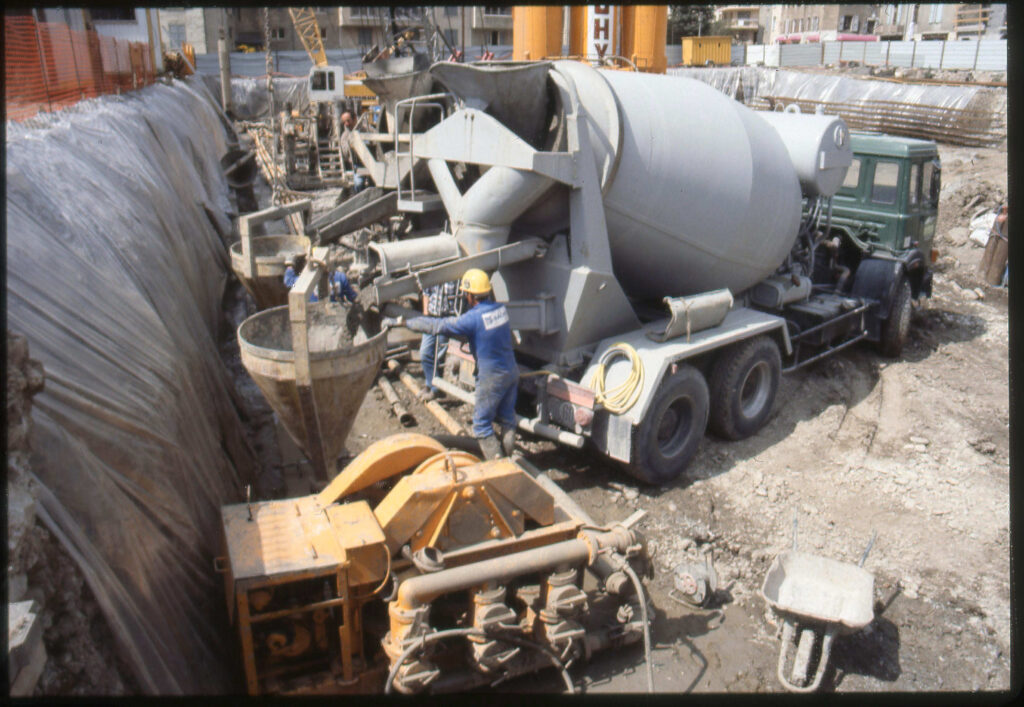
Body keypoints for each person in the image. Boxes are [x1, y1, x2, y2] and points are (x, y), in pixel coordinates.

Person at [384, 269, 517, 460]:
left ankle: (497, 466)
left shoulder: (473, 318)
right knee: (507, 420)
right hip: (511, 371)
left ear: (470, 296)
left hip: (491, 376)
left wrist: (403, 321)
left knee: (481, 425)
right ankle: (509, 460)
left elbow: (437, 326)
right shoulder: (500, 310)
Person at [417, 279, 460, 401]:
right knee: (424, 352)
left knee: (439, 355)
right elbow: (426, 292)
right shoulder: (435, 271)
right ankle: (430, 384)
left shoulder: (456, 274)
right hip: (431, 317)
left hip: (446, 319)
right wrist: (425, 314)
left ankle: (435, 389)